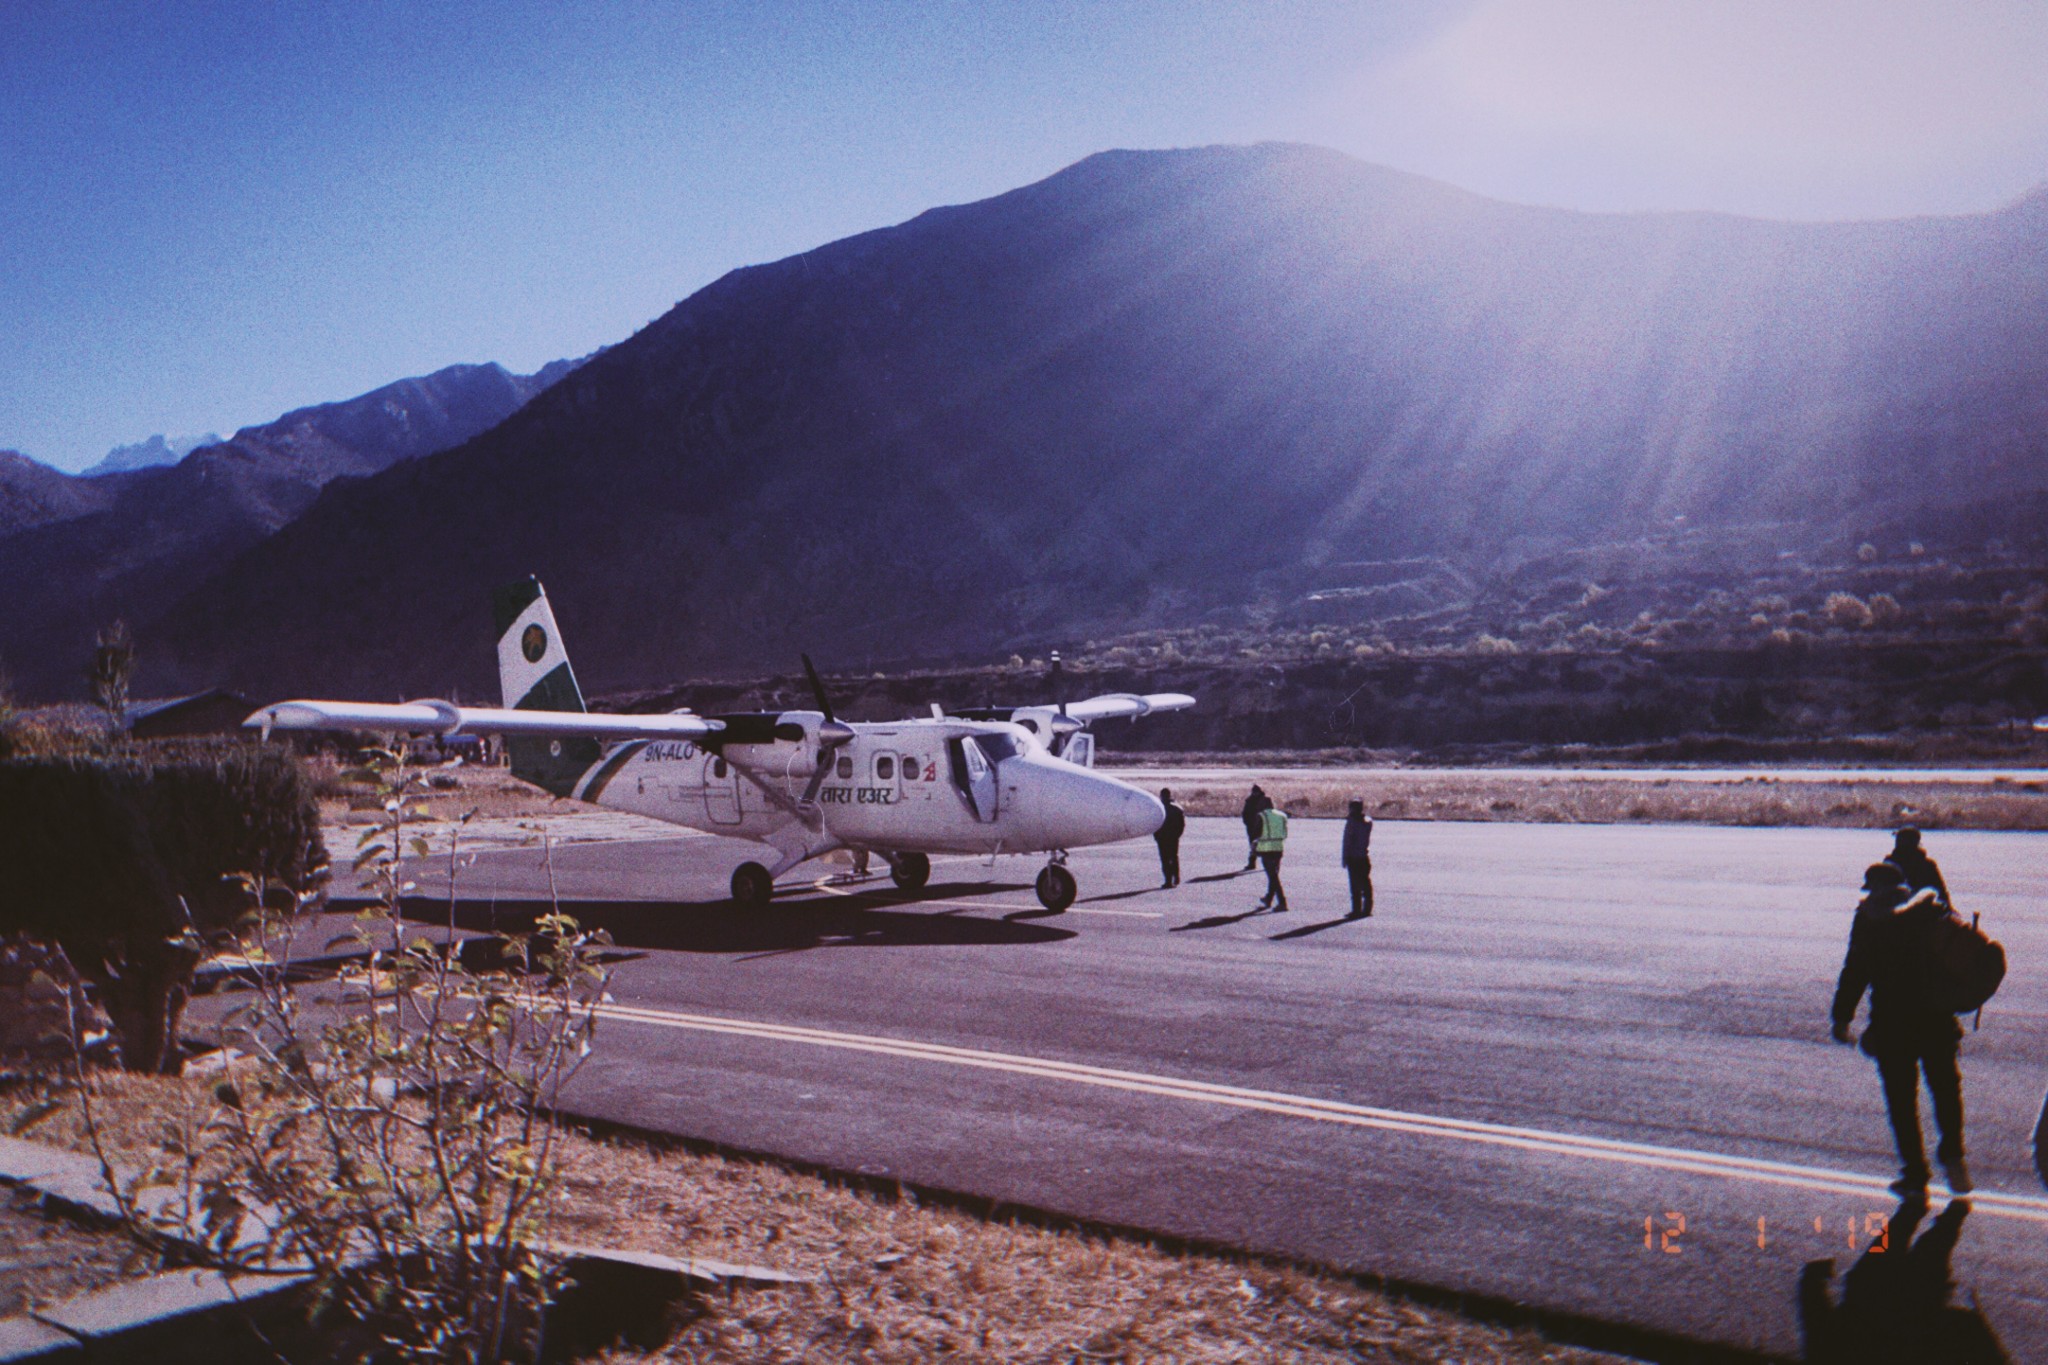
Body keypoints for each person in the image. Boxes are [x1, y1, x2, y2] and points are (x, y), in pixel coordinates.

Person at [1832, 862, 1970, 1197]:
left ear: (1874, 888)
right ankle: (1953, 1155)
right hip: (1936, 1018)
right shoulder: (1930, 912)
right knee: (1945, 1090)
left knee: (1901, 1101)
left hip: (1893, 1024)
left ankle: (1915, 1174)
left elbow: (1855, 969)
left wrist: (1842, 1016)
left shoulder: (1869, 919)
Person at [1886, 827, 1950, 903]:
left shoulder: (1890, 862)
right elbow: (1941, 891)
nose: (1897, 841)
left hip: (1916, 905)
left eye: (1900, 839)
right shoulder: (1928, 864)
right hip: (1914, 906)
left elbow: (1940, 890)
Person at [1340, 799, 1373, 918]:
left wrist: (1344, 858)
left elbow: (1347, 841)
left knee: (1355, 886)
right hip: (1363, 856)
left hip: (1353, 857)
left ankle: (1356, 909)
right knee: (1366, 884)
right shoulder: (1368, 822)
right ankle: (1367, 908)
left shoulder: (1352, 823)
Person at [1254, 800, 1289, 911]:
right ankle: (1268, 899)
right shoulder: (1282, 815)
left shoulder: (1261, 816)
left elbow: (1256, 832)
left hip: (1266, 848)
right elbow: (1285, 833)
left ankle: (1282, 902)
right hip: (1279, 848)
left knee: (1273, 877)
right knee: (1273, 874)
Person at [1155, 788, 1185, 888]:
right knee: (1174, 857)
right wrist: (1177, 835)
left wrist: (1157, 837)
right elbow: (1181, 825)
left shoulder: (1159, 808)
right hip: (1173, 837)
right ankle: (1176, 877)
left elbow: (1155, 824)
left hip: (1163, 838)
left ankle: (1168, 880)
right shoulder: (1177, 808)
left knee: (1165, 859)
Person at [1239, 785, 1270, 872]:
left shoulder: (1266, 800)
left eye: (1256, 792)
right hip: (1252, 826)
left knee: (1264, 845)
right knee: (1253, 846)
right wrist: (1247, 823)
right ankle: (1252, 863)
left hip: (1263, 826)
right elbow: (1245, 813)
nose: (1255, 793)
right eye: (1254, 792)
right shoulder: (1249, 801)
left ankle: (1268, 864)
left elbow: (1270, 812)